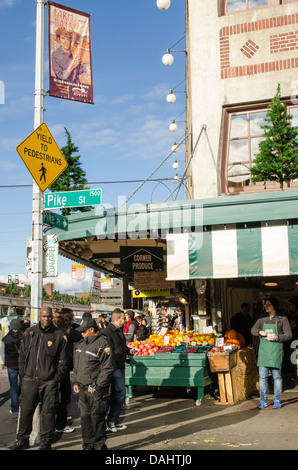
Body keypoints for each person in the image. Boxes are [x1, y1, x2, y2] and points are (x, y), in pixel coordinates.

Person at [8, 307, 69, 450]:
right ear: (39, 317)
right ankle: (21, 440)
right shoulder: (30, 333)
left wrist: (56, 377)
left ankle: (46, 443)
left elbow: (64, 360)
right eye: (44, 316)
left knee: (48, 413)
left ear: (52, 316)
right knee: (26, 411)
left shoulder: (59, 335)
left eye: (48, 316)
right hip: (30, 380)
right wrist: (24, 372)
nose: (46, 319)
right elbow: (22, 355)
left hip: (49, 381)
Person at [72, 317, 115, 451]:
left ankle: (99, 445)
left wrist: (98, 386)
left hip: (96, 389)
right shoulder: (81, 344)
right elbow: (77, 365)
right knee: (85, 418)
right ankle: (87, 445)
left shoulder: (103, 344)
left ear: (92, 329)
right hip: (83, 388)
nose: (81, 333)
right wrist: (75, 380)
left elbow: (107, 368)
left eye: (84, 331)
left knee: (97, 418)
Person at [251, 298, 292, 409]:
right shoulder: (262, 320)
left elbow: (289, 334)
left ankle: (277, 400)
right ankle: (263, 400)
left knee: (277, 377)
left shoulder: (282, 319)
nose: (266, 307)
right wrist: (260, 331)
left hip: (276, 352)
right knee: (262, 377)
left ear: (274, 306)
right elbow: (253, 329)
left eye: (268, 304)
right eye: (265, 305)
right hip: (264, 352)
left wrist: (278, 337)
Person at [53, 308, 81, 434]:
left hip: (51, 368)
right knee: (64, 397)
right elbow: (81, 335)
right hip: (63, 368)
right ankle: (60, 424)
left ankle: (56, 420)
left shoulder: (55, 330)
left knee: (54, 397)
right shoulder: (70, 332)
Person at [103, 309, 131, 432]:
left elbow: (122, 347)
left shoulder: (118, 331)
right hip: (114, 368)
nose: (125, 320)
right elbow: (107, 351)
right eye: (123, 318)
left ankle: (113, 420)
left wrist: (129, 351)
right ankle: (111, 421)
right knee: (120, 393)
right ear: (116, 319)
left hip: (119, 366)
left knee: (117, 394)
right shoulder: (107, 332)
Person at [2, 319, 23, 414]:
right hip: (22, 363)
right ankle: (23, 404)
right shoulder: (23, 337)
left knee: (13, 386)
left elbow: (4, 353)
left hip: (11, 364)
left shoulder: (6, 338)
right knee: (23, 385)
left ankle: (15, 408)